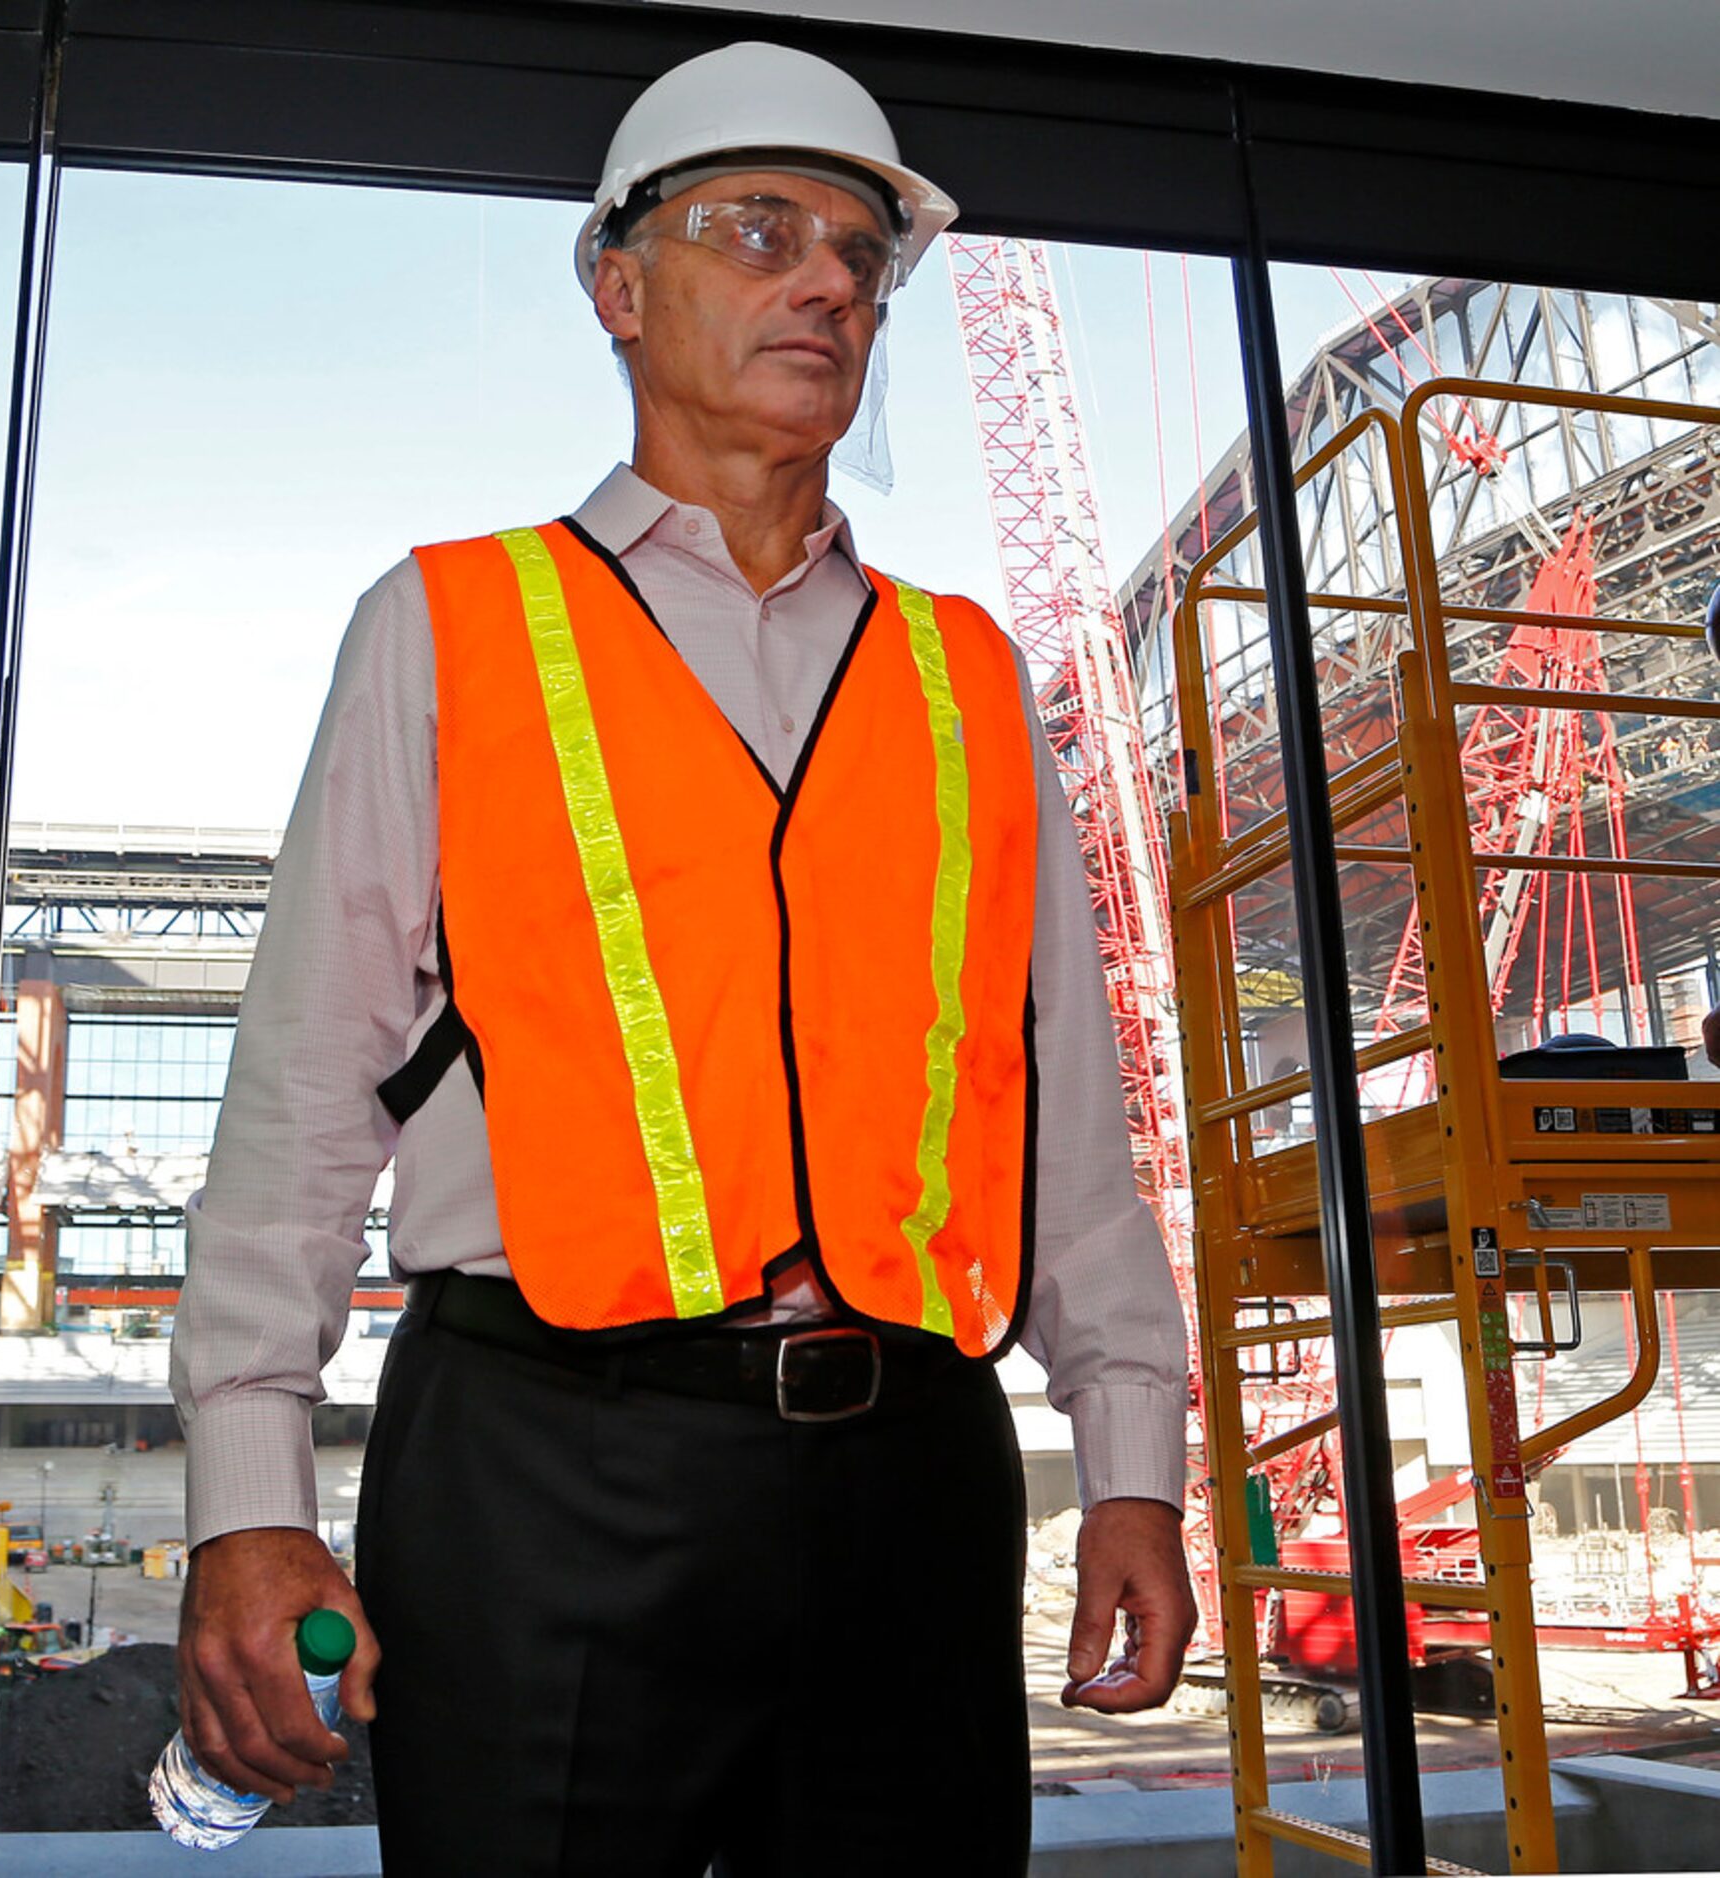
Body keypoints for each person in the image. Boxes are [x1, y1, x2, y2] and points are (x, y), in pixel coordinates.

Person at [170, 40, 1193, 1876]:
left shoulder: (967, 677)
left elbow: (1058, 1105)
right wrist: (248, 1504)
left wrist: (1128, 1458)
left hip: (912, 1472)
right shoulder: (451, 625)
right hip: (547, 1459)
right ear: (619, 289)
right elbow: (304, 1087)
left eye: (862, 257)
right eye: (761, 231)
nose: (826, 280)